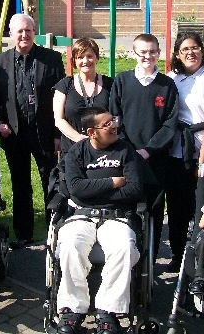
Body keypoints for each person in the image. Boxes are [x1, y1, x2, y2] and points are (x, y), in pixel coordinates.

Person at [55, 107, 143, 334]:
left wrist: (93, 192)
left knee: (123, 247)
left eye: (113, 120)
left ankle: (108, 311)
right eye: (107, 124)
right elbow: (74, 188)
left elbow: (134, 189)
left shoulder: (125, 149)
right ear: (92, 132)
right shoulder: (77, 152)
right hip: (81, 215)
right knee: (70, 245)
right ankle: (73, 309)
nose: (114, 125)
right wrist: (113, 182)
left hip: (117, 216)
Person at [0, 13, 65, 249]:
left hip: (45, 132)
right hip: (14, 133)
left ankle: (56, 232)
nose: (24, 35)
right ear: (11, 34)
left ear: (34, 32)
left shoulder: (51, 59)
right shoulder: (0, 62)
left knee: (51, 182)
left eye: (28, 30)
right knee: (20, 184)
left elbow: (61, 98)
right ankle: (24, 233)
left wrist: (58, 135)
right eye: (19, 31)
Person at [109, 33, 179, 263]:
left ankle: (150, 255)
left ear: (159, 53)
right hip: (127, 157)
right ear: (134, 54)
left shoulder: (167, 85)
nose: (147, 56)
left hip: (156, 158)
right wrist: (128, 149)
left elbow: (170, 123)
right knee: (126, 205)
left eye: (152, 52)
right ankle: (128, 255)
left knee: (155, 209)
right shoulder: (122, 80)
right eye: (143, 52)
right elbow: (115, 117)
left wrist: (149, 150)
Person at [165, 32, 204, 271]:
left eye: (195, 48)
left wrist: (202, 159)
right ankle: (178, 254)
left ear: (202, 50)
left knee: (202, 203)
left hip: (203, 146)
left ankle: (200, 257)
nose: (190, 53)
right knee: (178, 205)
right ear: (178, 55)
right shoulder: (173, 78)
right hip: (177, 148)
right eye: (184, 49)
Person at [53, 37, 113, 157]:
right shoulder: (64, 85)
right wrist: (79, 139)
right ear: (74, 60)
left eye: (90, 56)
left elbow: (115, 117)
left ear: (97, 58)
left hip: (104, 151)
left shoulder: (110, 85)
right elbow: (59, 120)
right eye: (80, 57)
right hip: (72, 150)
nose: (85, 61)